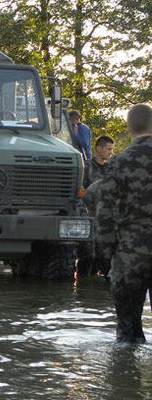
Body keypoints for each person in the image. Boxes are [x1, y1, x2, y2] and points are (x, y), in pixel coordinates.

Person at [95, 103, 152, 343]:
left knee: (127, 336)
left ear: (128, 128)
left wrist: (104, 255)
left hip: (130, 255)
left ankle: (123, 377)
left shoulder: (119, 162)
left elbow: (105, 213)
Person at [78, 135, 116, 276]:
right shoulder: (86, 166)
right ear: (98, 148)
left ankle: (100, 291)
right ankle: (82, 287)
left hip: (108, 220)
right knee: (87, 256)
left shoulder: (112, 168)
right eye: (108, 149)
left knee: (105, 257)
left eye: (112, 149)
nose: (111, 152)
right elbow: (80, 191)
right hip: (89, 217)